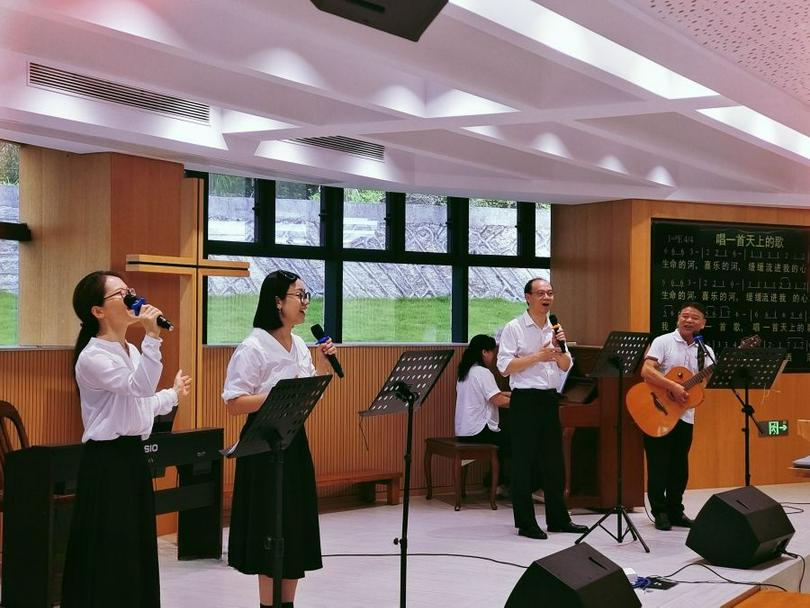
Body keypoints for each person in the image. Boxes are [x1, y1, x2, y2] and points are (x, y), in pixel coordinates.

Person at [62, 271, 191, 608]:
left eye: (130, 291)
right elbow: (137, 388)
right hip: (106, 462)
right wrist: (154, 338)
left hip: (131, 457)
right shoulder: (93, 357)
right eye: (121, 294)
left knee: (135, 544)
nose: (133, 298)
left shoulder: (130, 350)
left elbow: (140, 405)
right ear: (98, 311)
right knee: (111, 546)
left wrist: (173, 395)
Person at [222, 270, 336, 608]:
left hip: (294, 440)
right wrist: (278, 395)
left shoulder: (300, 344)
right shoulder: (253, 346)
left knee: (294, 525)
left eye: (306, 296)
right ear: (277, 302)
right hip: (263, 444)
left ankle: (287, 603)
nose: (305, 303)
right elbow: (233, 403)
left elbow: (307, 391)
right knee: (269, 528)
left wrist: (324, 364)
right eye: (298, 296)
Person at [496, 278, 588, 540]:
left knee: (553, 462)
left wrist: (559, 351)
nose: (546, 297)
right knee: (524, 463)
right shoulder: (514, 327)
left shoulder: (554, 327)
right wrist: (538, 356)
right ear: (528, 297)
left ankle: (558, 519)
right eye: (540, 293)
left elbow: (564, 365)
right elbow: (504, 367)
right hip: (524, 400)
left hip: (549, 399)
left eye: (549, 293)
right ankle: (525, 523)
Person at [640, 302, 713, 531]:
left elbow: (703, 385)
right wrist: (672, 386)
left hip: (685, 415)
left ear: (703, 324)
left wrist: (693, 388)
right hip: (658, 411)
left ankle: (675, 510)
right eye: (685, 316)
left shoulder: (705, 351)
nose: (689, 320)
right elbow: (646, 371)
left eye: (694, 318)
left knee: (679, 466)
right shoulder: (663, 342)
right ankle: (659, 511)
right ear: (678, 318)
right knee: (658, 464)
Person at [455, 334, 511, 493]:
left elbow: (494, 394)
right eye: (493, 352)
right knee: (518, 440)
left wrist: (512, 394)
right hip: (479, 431)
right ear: (484, 352)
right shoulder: (483, 373)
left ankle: (496, 482)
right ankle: (513, 484)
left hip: (464, 430)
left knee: (505, 437)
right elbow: (497, 400)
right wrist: (524, 401)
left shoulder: (465, 372)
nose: (494, 356)